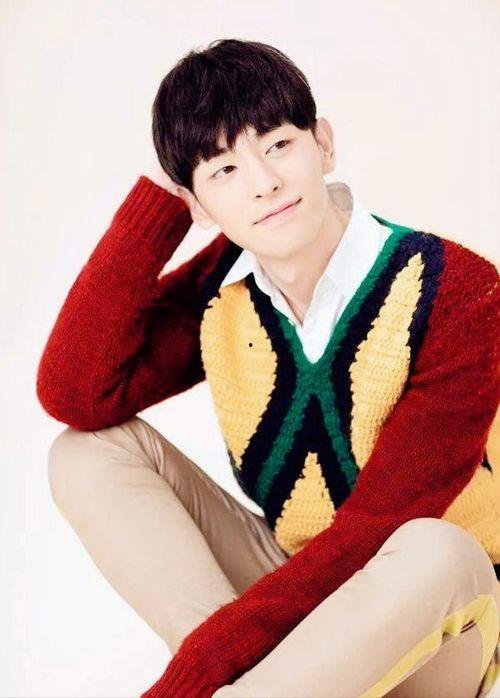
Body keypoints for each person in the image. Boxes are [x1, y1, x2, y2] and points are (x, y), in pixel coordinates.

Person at [36, 38, 500, 697]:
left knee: (436, 548)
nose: (263, 183)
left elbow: (377, 528)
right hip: (295, 596)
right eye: (223, 170)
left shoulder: (457, 290)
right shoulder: (226, 294)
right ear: (196, 204)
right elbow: (76, 392)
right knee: (87, 452)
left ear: (323, 145)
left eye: (279, 145)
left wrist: (196, 673)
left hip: (434, 615)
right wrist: (162, 208)